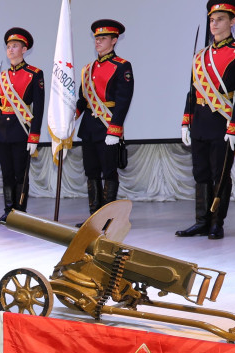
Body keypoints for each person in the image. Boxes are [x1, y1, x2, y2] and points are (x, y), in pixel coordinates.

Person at [176, 0, 235, 241]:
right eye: (212, 19)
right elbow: (192, 91)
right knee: (200, 173)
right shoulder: (200, 56)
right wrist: (186, 121)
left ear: (233, 21)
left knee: (219, 174)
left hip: (223, 122)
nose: (214, 24)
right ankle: (201, 221)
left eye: (220, 19)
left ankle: (216, 222)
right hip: (200, 121)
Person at [0, 28, 44, 225]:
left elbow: (39, 108)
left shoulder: (34, 74)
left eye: (15, 46)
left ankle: (20, 213)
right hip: (2, 131)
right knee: (7, 174)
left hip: (21, 131)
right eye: (8, 46)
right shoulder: (0, 78)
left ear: (24, 49)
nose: (10, 50)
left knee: (21, 175)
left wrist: (34, 136)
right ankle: (8, 212)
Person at [75, 20, 133, 216]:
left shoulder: (122, 66)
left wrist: (115, 130)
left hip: (108, 127)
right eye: (96, 38)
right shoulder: (87, 69)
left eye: (103, 38)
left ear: (114, 40)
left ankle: (107, 219)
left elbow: (123, 100)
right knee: (91, 172)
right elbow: (83, 99)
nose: (98, 42)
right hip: (88, 128)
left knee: (108, 172)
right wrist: (71, 117)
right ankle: (94, 217)